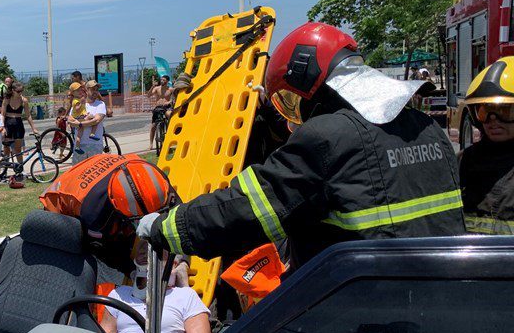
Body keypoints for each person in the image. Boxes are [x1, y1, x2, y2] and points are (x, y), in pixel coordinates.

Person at [137, 22, 466, 269]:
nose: (295, 115)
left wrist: (168, 227)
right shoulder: (427, 130)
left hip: (361, 324)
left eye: (292, 100)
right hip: (439, 310)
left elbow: (247, 208)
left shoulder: (327, 137)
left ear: (309, 79)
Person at [99, 245, 211, 333]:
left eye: (156, 246)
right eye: (142, 244)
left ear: (173, 264)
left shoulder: (186, 296)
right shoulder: (119, 294)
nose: (145, 249)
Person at [458, 57, 514, 234]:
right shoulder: (463, 161)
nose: (493, 121)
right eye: (484, 112)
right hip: (471, 259)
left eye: (504, 111)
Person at [1, 81, 36, 168]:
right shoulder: (7, 99)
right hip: (8, 124)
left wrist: (34, 128)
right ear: (13, 90)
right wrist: (2, 127)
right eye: (18, 91)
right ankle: (5, 167)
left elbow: (28, 115)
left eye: (21, 91)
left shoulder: (24, 100)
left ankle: (20, 168)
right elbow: (2, 114)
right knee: (6, 148)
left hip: (18, 124)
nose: (20, 93)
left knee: (18, 149)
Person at [71, 81, 107, 158]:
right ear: (86, 90)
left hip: (95, 145)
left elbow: (97, 120)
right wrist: (86, 122)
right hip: (79, 145)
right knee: (80, 170)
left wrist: (80, 124)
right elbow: (70, 121)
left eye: (97, 90)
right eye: (93, 89)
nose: (95, 92)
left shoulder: (100, 104)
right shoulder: (79, 103)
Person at [149, 75, 172, 149]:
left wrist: (169, 102)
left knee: (169, 115)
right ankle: (151, 144)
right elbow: (148, 95)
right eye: (161, 80)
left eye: (164, 80)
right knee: (153, 126)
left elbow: (176, 97)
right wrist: (152, 86)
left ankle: (170, 132)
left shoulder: (170, 89)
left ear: (167, 81)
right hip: (158, 108)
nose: (162, 81)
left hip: (166, 107)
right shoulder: (156, 88)